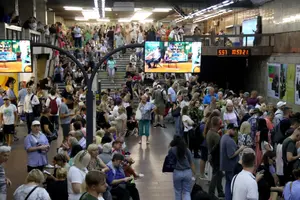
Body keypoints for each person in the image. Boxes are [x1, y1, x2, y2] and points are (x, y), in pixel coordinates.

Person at [220, 123, 245, 200]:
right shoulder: (229, 140)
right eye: (234, 130)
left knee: (228, 184)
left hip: (226, 166)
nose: (235, 132)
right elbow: (231, 155)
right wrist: (240, 149)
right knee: (233, 185)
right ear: (229, 129)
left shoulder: (224, 137)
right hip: (231, 166)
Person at [169, 135, 196, 200]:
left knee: (178, 192)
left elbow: (170, 161)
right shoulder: (187, 150)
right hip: (187, 172)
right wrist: (194, 173)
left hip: (177, 172)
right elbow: (191, 163)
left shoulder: (172, 150)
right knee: (187, 192)